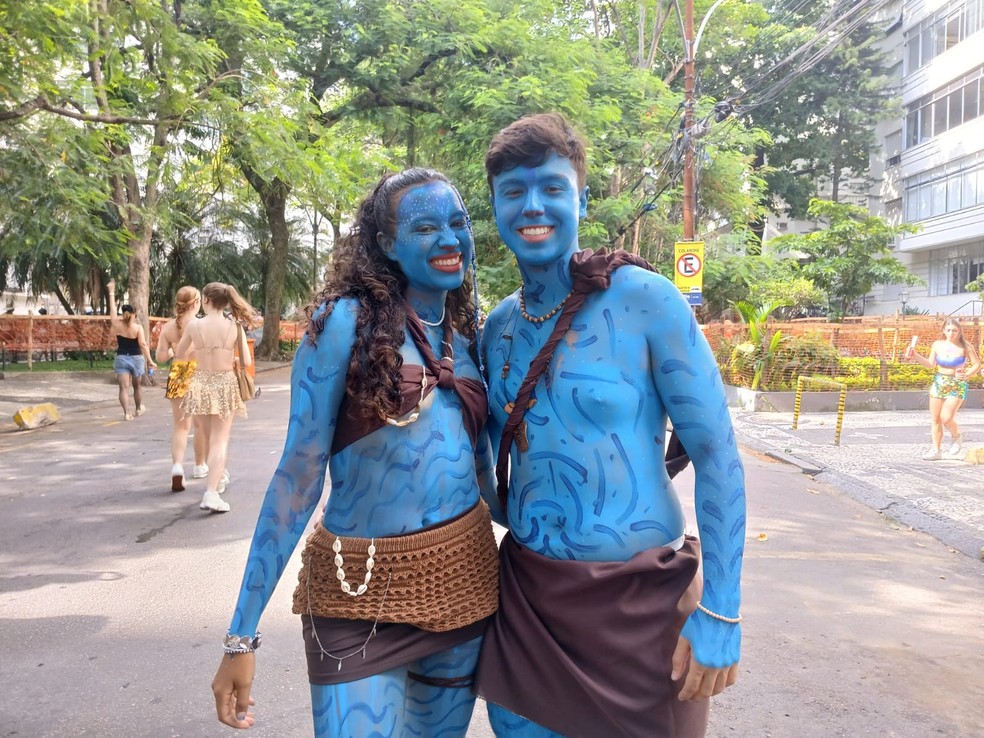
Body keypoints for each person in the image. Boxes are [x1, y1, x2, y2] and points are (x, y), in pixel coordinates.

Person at [473, 112, 746, 738]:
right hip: (530, 607)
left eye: (552, 187)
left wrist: (722, 608)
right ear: (495, 206)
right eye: (513, 191)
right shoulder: (498, 327)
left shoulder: (646, 300)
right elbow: (485, 456)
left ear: (581, 197)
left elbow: (717, 454)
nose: (532, 205)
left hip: (641, 610)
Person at [209, 168, 499, 737]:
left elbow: (486, 473)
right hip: (356, 593)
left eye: (458, 223)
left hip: (462, 588)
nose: (449, 239)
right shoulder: (343, 323)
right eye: (425, 228)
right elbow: (297, 477)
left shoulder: (470, 336)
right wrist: (241, 634)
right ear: (387, 243)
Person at [175, 282, 255, 513]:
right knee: (220, 440)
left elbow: (180, 353)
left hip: (200, 382)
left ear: (206, 300)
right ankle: (211, 492)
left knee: (210, 436)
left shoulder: (194, 325)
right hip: (224, 382)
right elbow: (247, 361)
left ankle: (217, 477)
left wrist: (199, 351)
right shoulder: (234, 327)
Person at [154, 285, 210, 492]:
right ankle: (199, 465)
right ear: (196, 303)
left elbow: (160, 357)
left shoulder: (168, 328)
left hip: (178, 372)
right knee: (200, 425)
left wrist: (173, 350)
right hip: (199, 373)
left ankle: (177, 467)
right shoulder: (202, 325)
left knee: (180, 427)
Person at [904, 318, 980, 460]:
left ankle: (956, 436)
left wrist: (967, 375)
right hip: (939, 382)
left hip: (957, 384)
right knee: (935, 418)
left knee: (946, 417)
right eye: (948, 330)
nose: (951, 333)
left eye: (955, 330)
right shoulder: (937, 345)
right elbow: (930, 364)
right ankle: (936, 450)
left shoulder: (965, 346)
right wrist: (915, 355)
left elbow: (977, 364)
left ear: (959, 331)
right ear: (944, 331)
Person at [107, 280, 156, 420]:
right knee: (137, 386)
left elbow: (112, 309)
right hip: (136, 359)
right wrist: (150, 361)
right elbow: (143, 344)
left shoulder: (116, 324)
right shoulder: (138, 328)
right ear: (134, 314)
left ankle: (127, 413)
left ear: (123, 314)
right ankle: (139, 408)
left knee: (123, 388)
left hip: (121, 358)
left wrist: (111, 292)